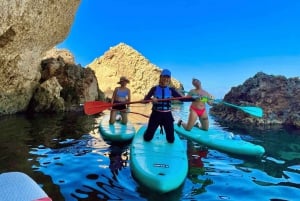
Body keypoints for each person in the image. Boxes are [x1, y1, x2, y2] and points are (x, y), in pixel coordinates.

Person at [143, 69, 187, 143]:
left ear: (169, 79)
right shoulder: (154, 89)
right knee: (147, 138)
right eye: (164, 77)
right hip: (155, 114)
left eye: (168, 77)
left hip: (167, 115)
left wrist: (201, 99)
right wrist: (151, 99)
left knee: (171, 140)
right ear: (161, 77)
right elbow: (145, 100)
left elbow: (183, 99)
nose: (166, 79)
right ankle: (146, 132)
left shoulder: (171, 90)